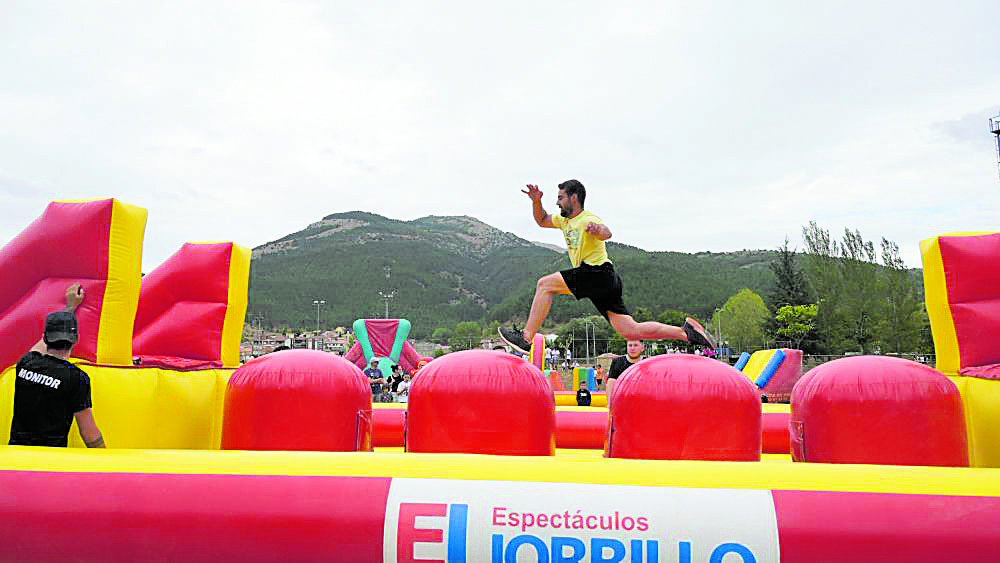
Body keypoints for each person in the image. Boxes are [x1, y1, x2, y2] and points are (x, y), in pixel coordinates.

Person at [498, 180, 715, 354]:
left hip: (597, 272)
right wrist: (536, 200)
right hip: (604, 280)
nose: (557, 203)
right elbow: (542, 220)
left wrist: (597, 230)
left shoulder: (587, 218)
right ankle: (687, 333)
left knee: (544, 285)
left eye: (560, 198)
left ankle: (526, 338)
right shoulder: (564, 220)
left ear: (574, 197)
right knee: (631, 331)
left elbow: (607, 232)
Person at [9, 283, 105, 448]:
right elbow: (89, 433)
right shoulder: (76, 378)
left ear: (45, 338)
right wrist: (109, 465)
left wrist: (70, 307)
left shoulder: (26, 364)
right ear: (76, 340)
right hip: (51, 462)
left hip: (18, 459)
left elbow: (39, 348)